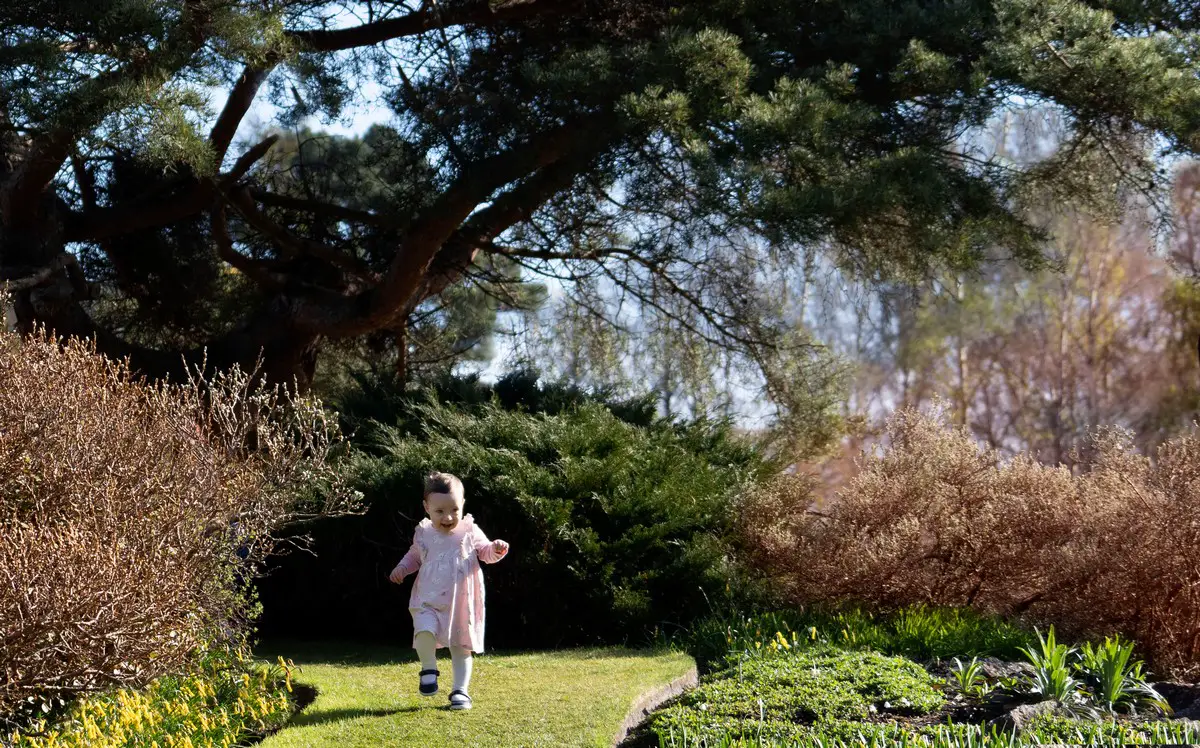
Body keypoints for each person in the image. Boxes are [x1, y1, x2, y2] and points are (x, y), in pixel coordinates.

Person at [388, 472, 509, 711]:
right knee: (423, 629)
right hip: (428, 597)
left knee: (461, 646)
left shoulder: (469, 530)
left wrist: (496, 549)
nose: (448, 517)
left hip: (460, 600)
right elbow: (414, 556)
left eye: (454, 509)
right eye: (440, 511)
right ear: (427, 507)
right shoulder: (424, 532)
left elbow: (484, 552)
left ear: (463, 504)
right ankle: (429, 668)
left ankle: (460, 691)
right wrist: (402, 568)